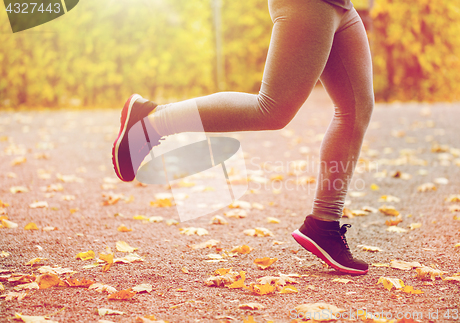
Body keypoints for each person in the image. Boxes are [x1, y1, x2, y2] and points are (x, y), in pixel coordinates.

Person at [112, 0, 374, 275]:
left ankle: (324, 225)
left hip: (342, 6)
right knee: (272, 109)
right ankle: (152, 121)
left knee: (356, 109)